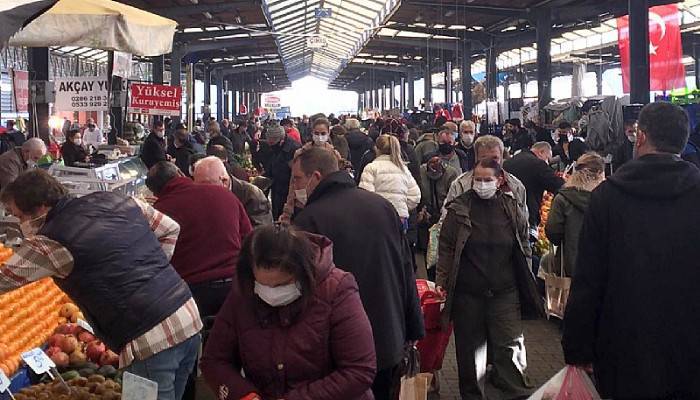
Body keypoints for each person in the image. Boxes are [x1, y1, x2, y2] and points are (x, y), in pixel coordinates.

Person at [0, 169, 202, 400]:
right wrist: (152, 271)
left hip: (149, 338)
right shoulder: (117, 200)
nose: (20, 224)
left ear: (40, 208)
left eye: (19, 217)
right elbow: (170, 229)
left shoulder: (50, 242)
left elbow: (3, 279)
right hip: (188, 315)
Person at [562, 102, 700, 399]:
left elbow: (588, 279)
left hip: (624, 343)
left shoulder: (607, 197)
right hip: (691, 343)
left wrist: (578, 347)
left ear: (640, 137)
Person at [291, 148, 424, 399]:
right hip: (388, 336)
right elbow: (407, 269)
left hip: (336, 350)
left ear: (316, 177)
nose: (295, 186)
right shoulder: (382, 207)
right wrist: (413, 329)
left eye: (297, 179)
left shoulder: (309, 221)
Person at [201, 224, 376, 400]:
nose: (271, 292)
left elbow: (359, 370)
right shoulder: (244, 292)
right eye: (262, 284)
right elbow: (214, 360)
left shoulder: (336, 289)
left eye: (281, 285)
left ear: (303, 273)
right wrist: (244, 395)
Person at [437, 159, 543, 400]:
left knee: (510, 348)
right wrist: (442, 283)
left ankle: (517, 394)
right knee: (471, 353)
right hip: (468, 294)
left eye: (488, 180)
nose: (482, 184)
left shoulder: (512, 208)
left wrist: (527, 274)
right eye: (478, 179)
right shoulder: (458, 210)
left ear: (499, 181)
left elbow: (524, 243)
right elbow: (446, 248)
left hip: (505, 293)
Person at [146, 160, 252, 319]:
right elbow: (249, 239)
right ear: (181, 174)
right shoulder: (223, 194)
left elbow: (155, 261)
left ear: (154, 194)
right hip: (235, 285)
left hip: (191, 295)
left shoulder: (158, 214)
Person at [544, 153, 605, 278]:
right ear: (600, 173)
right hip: (601, 267)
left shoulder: (562, 198)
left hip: (570, 267)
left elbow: (552, 232)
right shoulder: (607, 198)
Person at [443, 135, 528, 222]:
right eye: (484, 158)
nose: (490, 163)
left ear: (502, 158)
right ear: (476, 158)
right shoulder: (460, 184)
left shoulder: (515, 185)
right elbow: (447, 217)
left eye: (495, 158)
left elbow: (523, 219)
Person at [279, 118, 341, 222]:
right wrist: (287, 212)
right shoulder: (300, 154)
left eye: (323, 133)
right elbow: (293, 183)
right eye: (316, 133)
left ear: (328, 133)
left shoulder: (334, 155)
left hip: (326, 205)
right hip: (301, 204)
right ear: (312, 132)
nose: (320, 137)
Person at [193, 155, 272, 227]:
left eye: (206, 186)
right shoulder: (200, 198)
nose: (201, 192)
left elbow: (259, 236)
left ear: (224, 181)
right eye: (197, 187)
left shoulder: (252, 196)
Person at [359, 134, 421, 223]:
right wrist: (401, 206)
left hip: (378, 218)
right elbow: (415, 196)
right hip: (400, 218)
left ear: (377, 148)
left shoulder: (371, 168)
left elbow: (365, 196)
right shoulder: (403, 168)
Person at [503, 142, 565, 230]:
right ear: (541, 152)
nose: (547, 162)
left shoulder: (511, 160)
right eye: (548, 158)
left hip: (506, 209)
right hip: (527, 211)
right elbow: (558, 185)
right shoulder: (538, 164)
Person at [417, 155, 460, 271]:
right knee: (429, 256)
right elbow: (416, 192)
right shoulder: (420, 171)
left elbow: (455, 197)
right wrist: (421, 209)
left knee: (444, 254)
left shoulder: (452, 173)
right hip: (426, 216)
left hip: (445, 215)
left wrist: (445, 214)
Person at [262, 121, 300, 219]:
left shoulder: (293, 149)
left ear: (281, 140)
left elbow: (297, 175)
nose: (270, 145)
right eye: (268, 142)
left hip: (288, 191)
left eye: (272, 143)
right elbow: (269, 168)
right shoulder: (272, 148)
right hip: (276, 188)